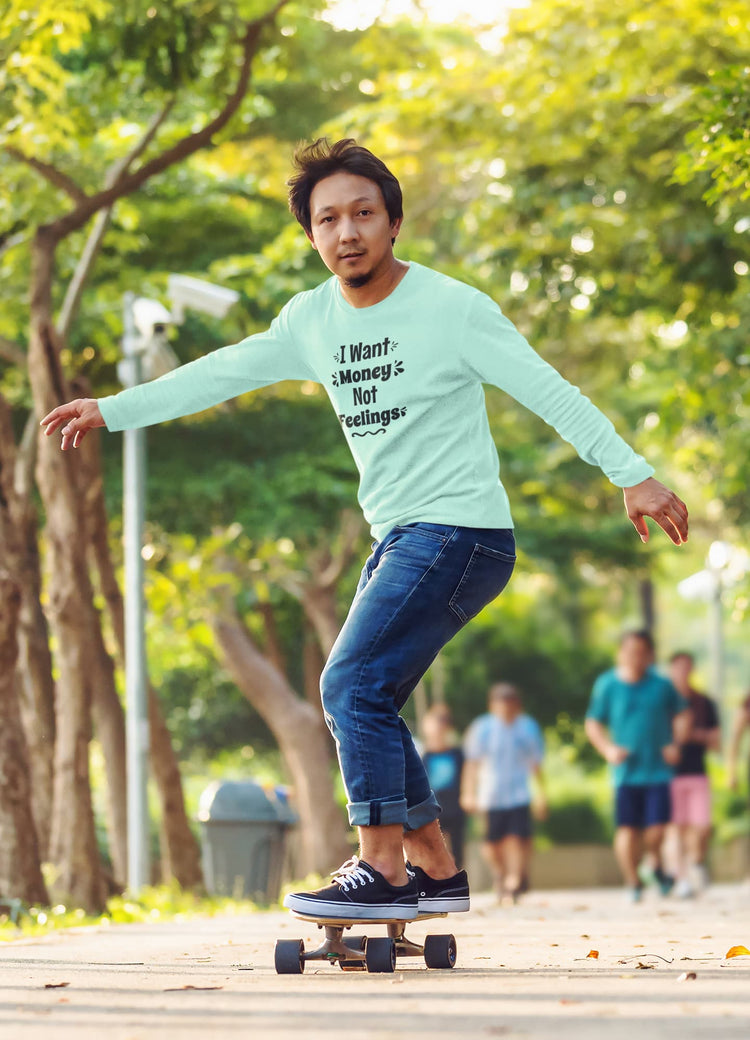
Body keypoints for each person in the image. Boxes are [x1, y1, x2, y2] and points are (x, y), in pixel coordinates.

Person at [41, 138, 689, 922]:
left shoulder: (453, 308)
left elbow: (548, 390)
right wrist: (112, 409)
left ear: (393, 224)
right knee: (367, 696)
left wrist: (632, 473)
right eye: (328, 220)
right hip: (401, 539)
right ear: (311, 236)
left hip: (462, 530)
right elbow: (219, 372)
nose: (346, 232)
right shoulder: (309, 321)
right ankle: (438, 869)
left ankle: (381, 867)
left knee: (348, 684)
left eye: (362, 214)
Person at [585, 630, 691, 902]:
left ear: (651, 656)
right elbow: (593, 723)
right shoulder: (607, 685)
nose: (636, 657)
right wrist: (608, 749)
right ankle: (633, 882)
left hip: (658, 769)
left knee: (657, 830)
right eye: (631, 651)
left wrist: (675, 744)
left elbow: (683, 714)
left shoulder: (662, 685)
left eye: (642, 652)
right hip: (625, 773)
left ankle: (653, 862)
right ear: (620, 653)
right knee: (627, 830)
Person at [462, 683, 546, 904]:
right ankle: (501, 874)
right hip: (490, 795)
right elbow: (472, 763)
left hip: (519, 793)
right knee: (491, 843)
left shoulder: (527, 728)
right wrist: (468, 792)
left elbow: (536, 764)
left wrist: (542, 794)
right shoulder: (482, 728)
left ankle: (514, 880)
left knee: (517, 838)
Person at [667, 650, 720, 897]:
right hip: (670, 774)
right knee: (677, 828)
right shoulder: (663, 703)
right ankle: (682, 879)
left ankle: (697, 861)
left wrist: (692, 735)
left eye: (687, 667)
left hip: (698, 772)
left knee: (702, 827)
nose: (683, 672)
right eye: (678, 667)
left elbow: (716, 739)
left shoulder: (704, 702)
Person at [420, 704, 467, 869]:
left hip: (454, 806)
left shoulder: (458, 754)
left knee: (457, 847)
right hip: (432, 807)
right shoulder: (422, 756)